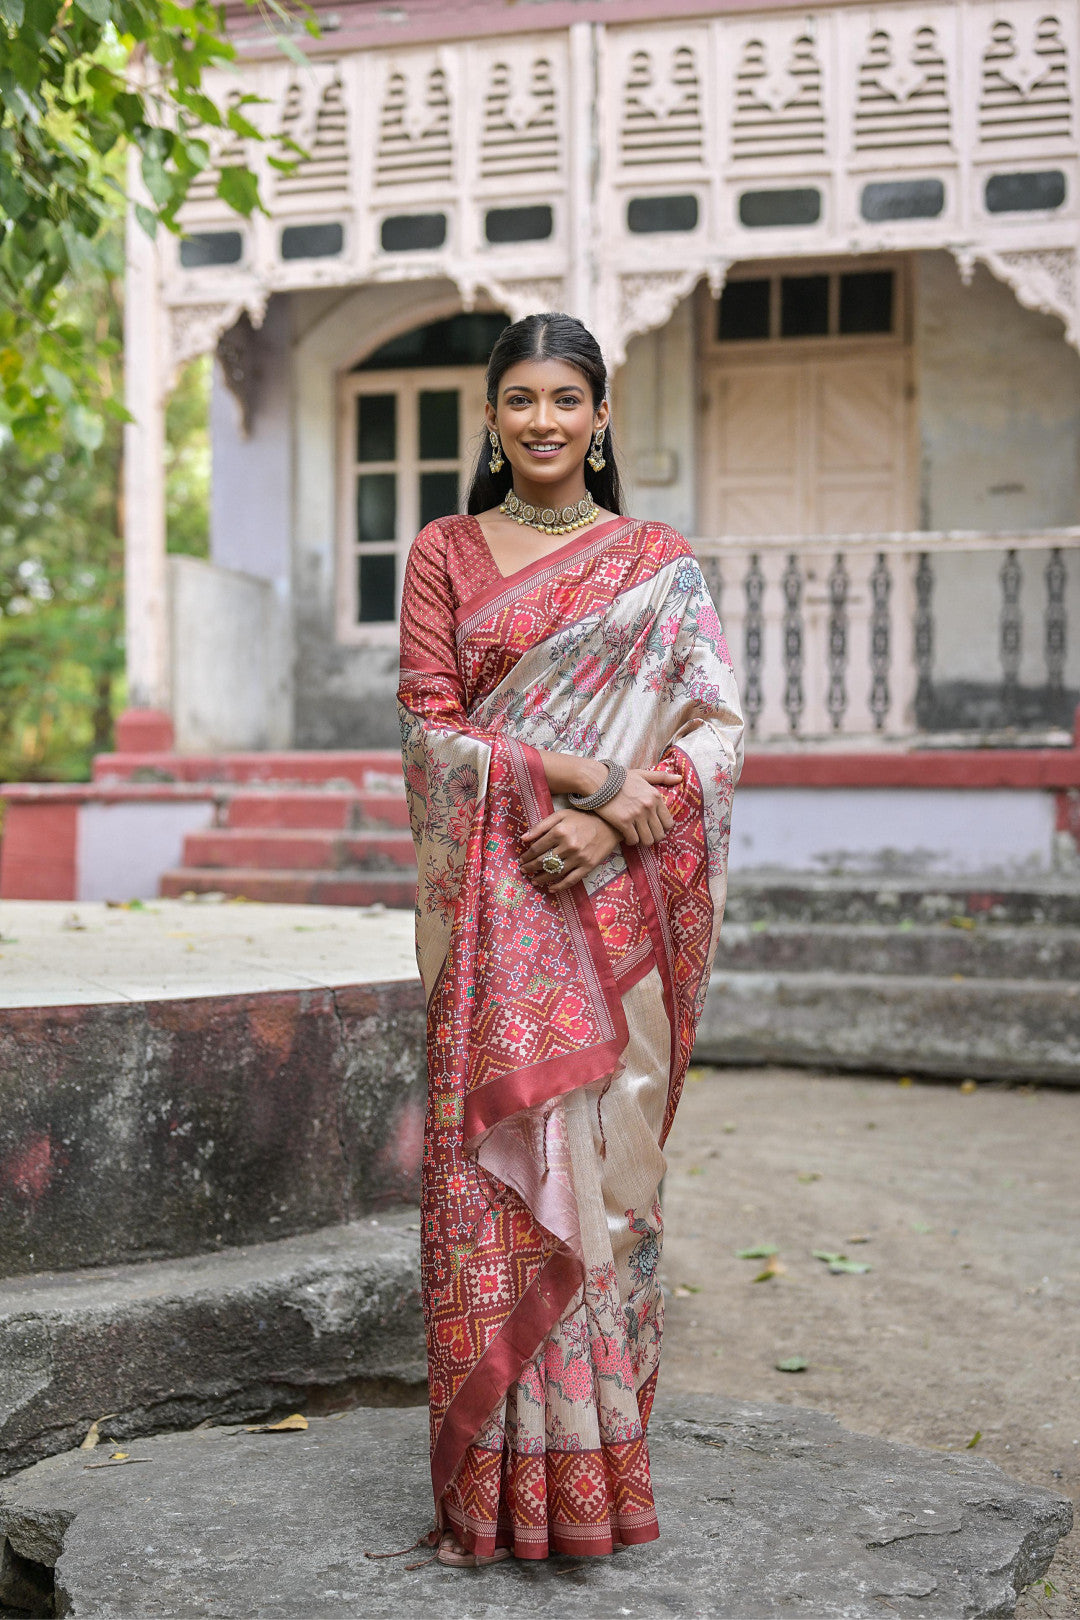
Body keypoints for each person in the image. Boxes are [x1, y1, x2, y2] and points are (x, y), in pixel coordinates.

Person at [395, 311, 744, 1568]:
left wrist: (613, 830)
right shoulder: (444, 551)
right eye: (520, 399)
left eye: (567, 399)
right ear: (490, 420)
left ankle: (598, 1477)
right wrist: (590, 775)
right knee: (492, 1184)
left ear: (602, 421)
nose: (543, 420)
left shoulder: (656, 562)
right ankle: (494, 1490)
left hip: (614, 907)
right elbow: (431, 735)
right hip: (493, 911)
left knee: (614, 1186)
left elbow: (715, 730)